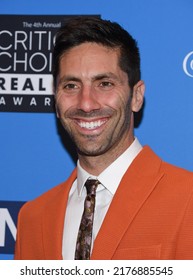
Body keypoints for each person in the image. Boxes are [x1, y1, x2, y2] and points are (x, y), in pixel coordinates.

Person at [14, 16, 193, 260]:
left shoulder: (187, 199)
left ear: (137, 96)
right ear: (55, 99)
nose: (86, 104)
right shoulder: (32, 218)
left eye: (105, 83)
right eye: (71, 86)